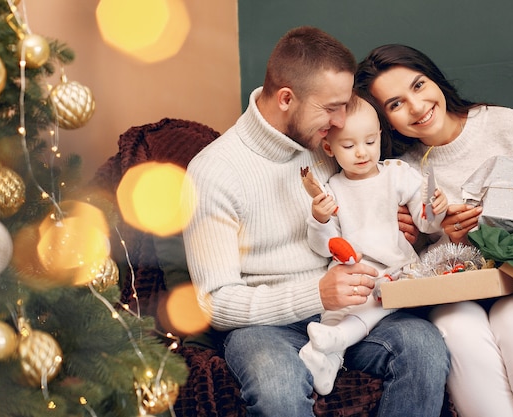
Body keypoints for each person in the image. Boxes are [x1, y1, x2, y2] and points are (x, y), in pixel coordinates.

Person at [182, 28, 449, 417]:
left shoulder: (330, 144)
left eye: (346, 105)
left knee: (424, 346)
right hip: (264, 325)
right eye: (331, 108)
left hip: (350, 311)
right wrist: (316, 294)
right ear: (287, 98)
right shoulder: (213, 173)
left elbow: (389, 190)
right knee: (277, 389)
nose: (341, 121)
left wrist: (411, 223)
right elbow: (215, 303)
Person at [355, 43, 513, 417]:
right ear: (385, 120)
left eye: (418, 86)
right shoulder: (398, 172)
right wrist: (447, 238)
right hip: (463, 297)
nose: (416, 107)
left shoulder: (501, 123)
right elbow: (414, 273)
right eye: (396, 104)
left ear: (435, 78)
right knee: (456, 326)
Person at [298, 94, 448, 395]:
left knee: (380, 296)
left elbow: (426, 223)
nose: (361, 153)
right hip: (353, 273)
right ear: (329, 148)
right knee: (338, 312)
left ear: (380, 135)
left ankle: (338, 338)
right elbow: (324, 246)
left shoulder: (397, 174)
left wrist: (436, 208)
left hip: (397, 270)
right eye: (349, 146)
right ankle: (327, 360)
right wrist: (320, 218)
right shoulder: (333, 189)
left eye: (369, 142)